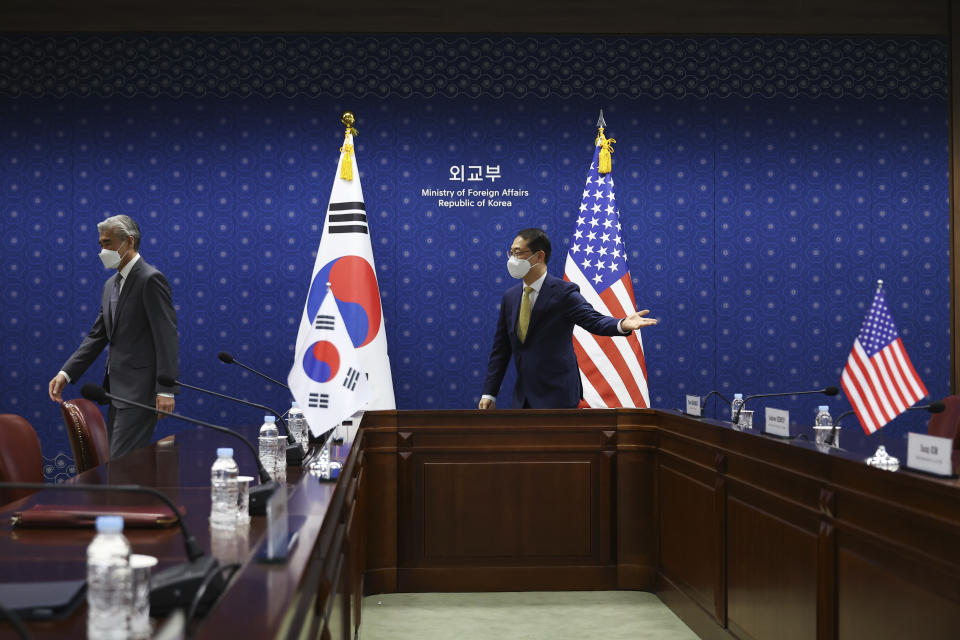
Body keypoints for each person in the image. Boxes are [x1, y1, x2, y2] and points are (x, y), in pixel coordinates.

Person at [480, 228, 657, 409]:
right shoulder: (510, 297)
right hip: (523, 399)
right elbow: (501, 350)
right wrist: (490, 393)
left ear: (539, 256)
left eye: (518, 253)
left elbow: (592, 320)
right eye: (511, 252)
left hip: (558, 397)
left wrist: (621, 324)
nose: (513, 259)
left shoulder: (563, 292)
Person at [48, 215, 179, 457]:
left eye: (107, 243)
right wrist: (66, 373)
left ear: (128, 242)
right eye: (100, 244)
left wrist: (166, 389)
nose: (102, 250)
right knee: (122, 466)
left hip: (141, 392)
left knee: (121, 466)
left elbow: (166, 336)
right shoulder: (110, 285)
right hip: (115, 392)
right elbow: (97, 336)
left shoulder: (150, 279)